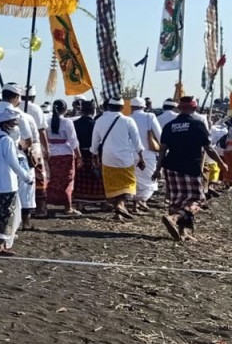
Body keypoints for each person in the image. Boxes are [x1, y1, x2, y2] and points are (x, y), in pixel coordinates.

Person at [155, 97, 225, 241]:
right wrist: (221, 163)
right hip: (189, 167)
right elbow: (208, 148)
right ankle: (174, 218)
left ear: (179, 108)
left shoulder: (169, 126)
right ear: (194, 108)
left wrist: (158, 169)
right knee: (198, 200)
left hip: (170, 167)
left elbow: (162, 149)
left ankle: (182, 232)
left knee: (177, 200)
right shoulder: (197, 125)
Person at [0, 104, 34, 253]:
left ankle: (0, 243)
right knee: (8, 216)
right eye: (14, 124)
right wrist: (27, 177)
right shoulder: (7, 141)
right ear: (6, 125)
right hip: (7, 184)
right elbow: (13, 163)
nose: (16, 127)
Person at [90, 98, 144, 221]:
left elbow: (95, 143)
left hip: (107, 158)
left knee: (112, 186)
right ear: (122, 107)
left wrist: (94, 155)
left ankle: (118, 212)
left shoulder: (100, 120)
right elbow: (137, 142)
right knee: (128, 184)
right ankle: (120, 204)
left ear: (109, 107)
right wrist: (141, 157)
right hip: (125, 159)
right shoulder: (128, 120)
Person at [1, 85, 40, 229]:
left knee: (0, 189)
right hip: (17, 155)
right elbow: (29, 140)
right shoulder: (20, 115)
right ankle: (25, 222)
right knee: (26, 187)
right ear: (16, 97)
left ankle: (1, 224)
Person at [44, 99, 81, 216]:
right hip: (65, 154)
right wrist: (79, 156)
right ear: (64, 110)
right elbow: (73, 141)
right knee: (67, 181)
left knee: (52, 179)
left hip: (52, 153)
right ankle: (68, 207)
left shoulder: (47, 122)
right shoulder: (67, 122)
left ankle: (46, 205)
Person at [129, 97, 163, 212]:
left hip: (130, 155)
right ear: (144, 107)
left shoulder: (127, 118)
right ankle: (141, 201)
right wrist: (164, 150)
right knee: (148, 181)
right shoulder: (150, 117)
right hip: (147, 154)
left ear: (131, 107)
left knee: (135, 180)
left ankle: (135, 204)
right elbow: (160, 135)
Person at [22, 85, 49, 220]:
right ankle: (40, 209)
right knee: (39, 177)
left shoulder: (14, 107)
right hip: (33, 147)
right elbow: (41, 131)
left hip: (19, 146)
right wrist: (46, 148)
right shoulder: (36, 109)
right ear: (33, 97)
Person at [72, 100, 105, 206]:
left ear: (82, 110)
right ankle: (101, 201)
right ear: (93, 110)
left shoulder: (75, 124)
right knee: (96, 178)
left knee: (81, 180)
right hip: (93, 155)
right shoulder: (96, 124)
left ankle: (80, 203)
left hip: (79, 154)